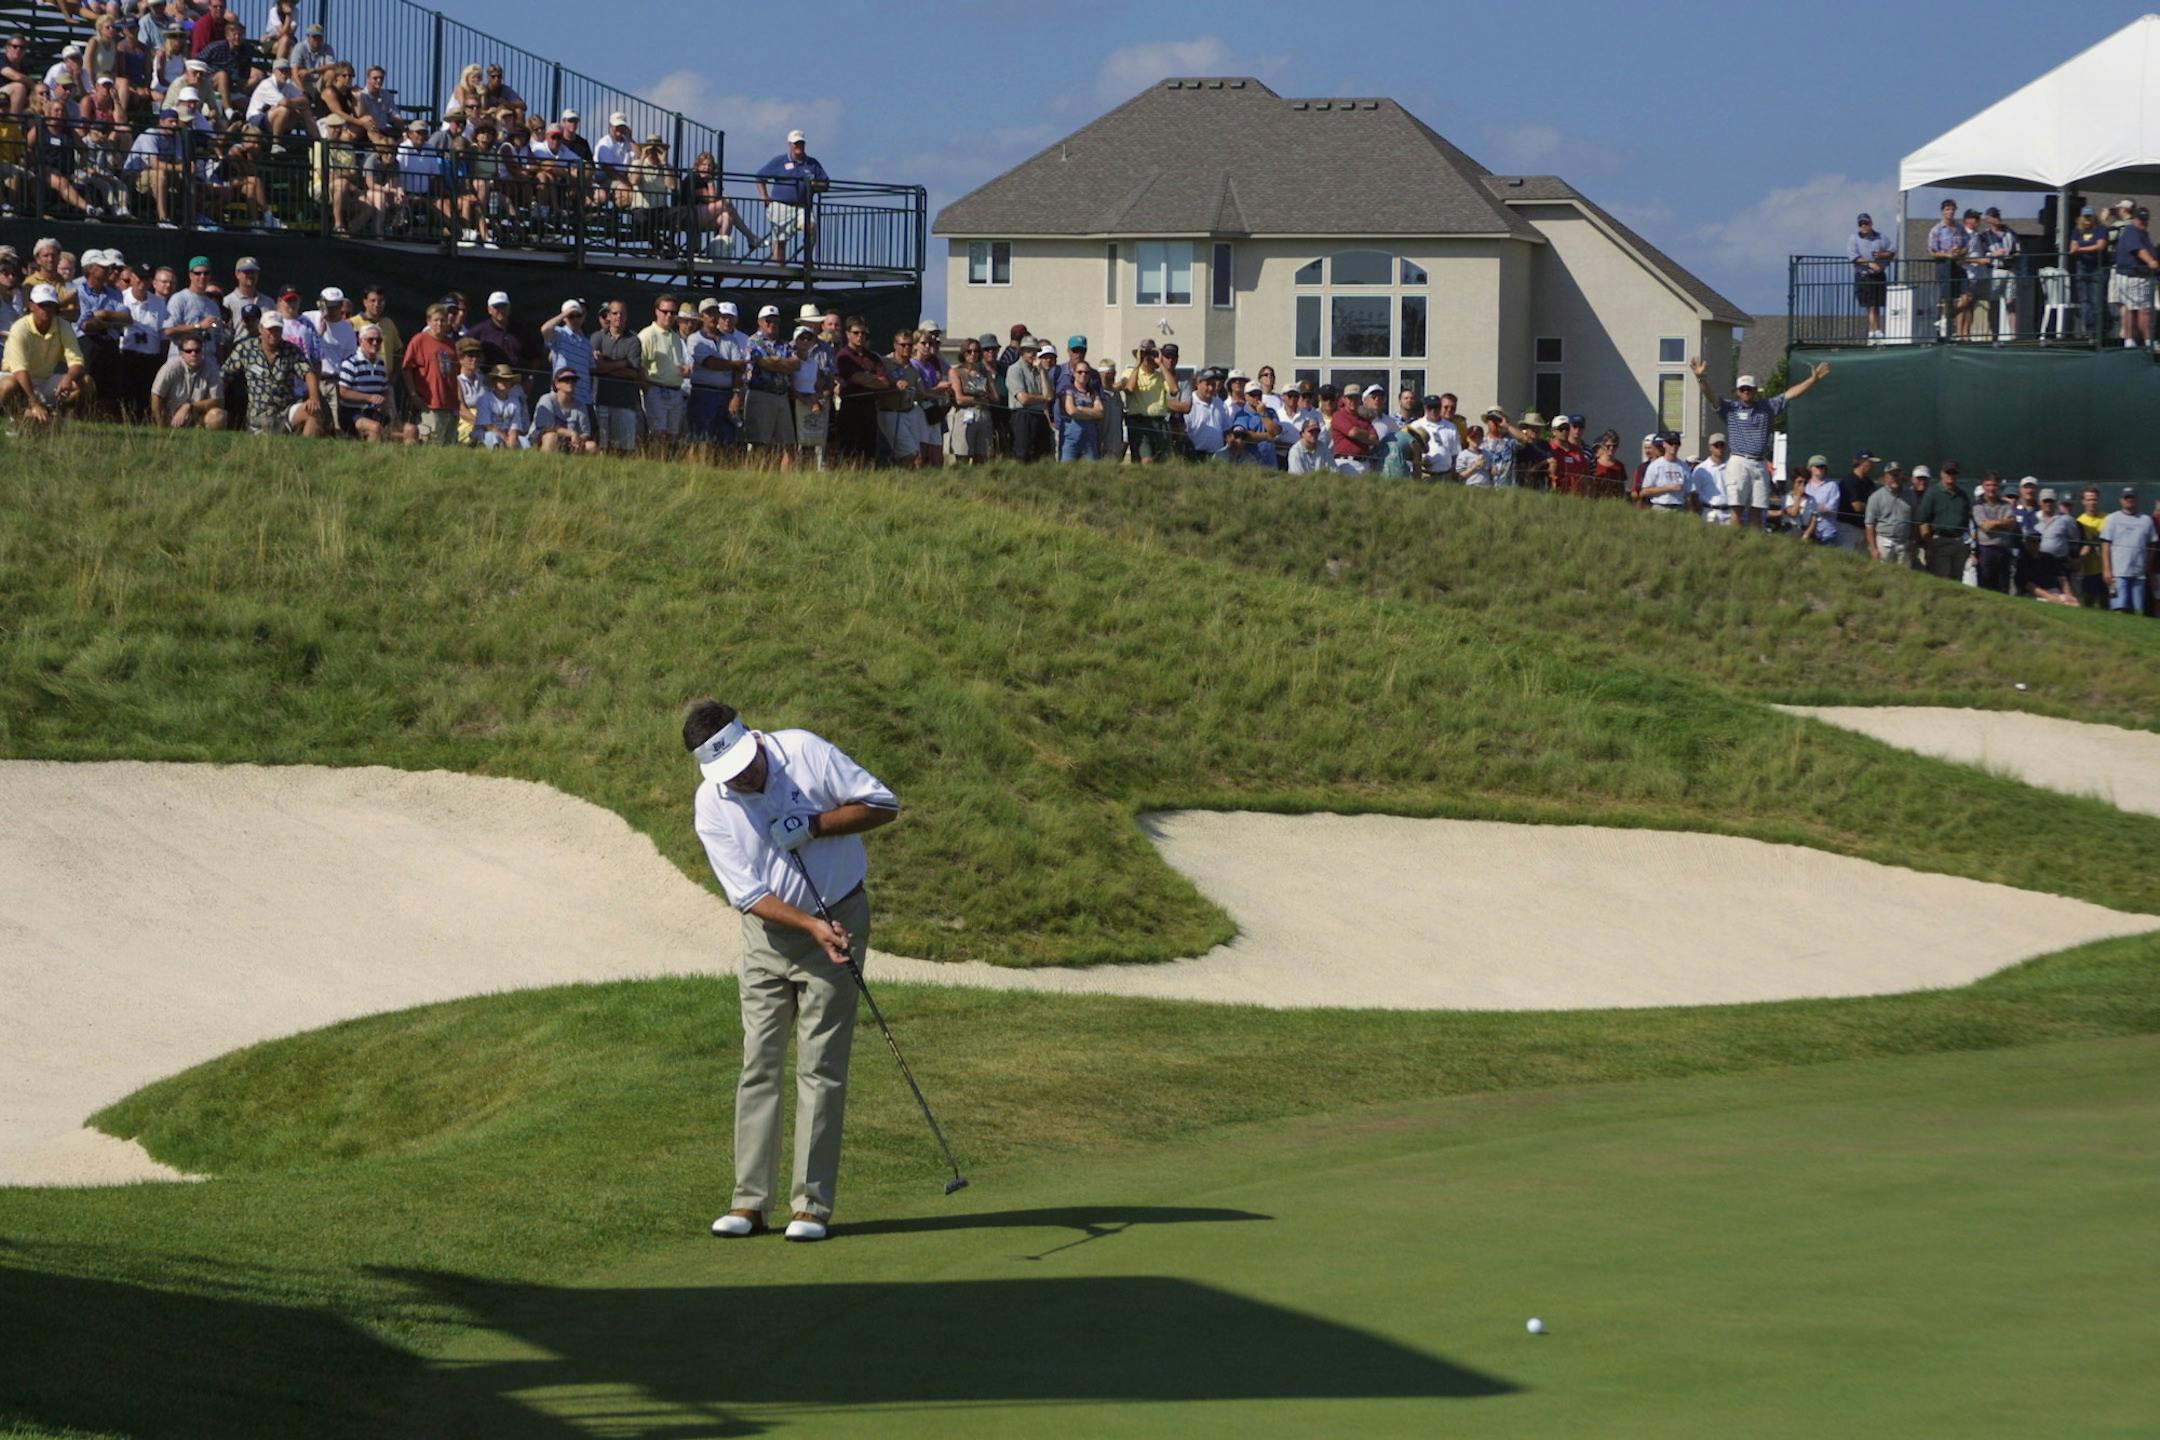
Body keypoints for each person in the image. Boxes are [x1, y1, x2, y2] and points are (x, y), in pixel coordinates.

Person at [687, 699, 900, 1245]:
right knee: (759, 1062)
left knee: (820, 1067)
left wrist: (815, 824)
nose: (741, 781)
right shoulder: (713, 802)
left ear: (751, 739)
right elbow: (748, 893)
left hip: (841, 916)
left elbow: (883, 804)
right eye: (727, 776)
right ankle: (749, 1202)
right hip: (769, 938)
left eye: (744, 767)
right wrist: (808, 925)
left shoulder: (803, 751)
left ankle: (810, 1206)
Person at [1690, 357, 1829, 529]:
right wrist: (1701, 378)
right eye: (1743, 389)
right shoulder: (1731, 408)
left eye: (1749, 389)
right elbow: (1710, 396)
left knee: (1758, 508)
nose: (1746, 392)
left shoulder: (1768, 406)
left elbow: (1791, 393)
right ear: (1738, 391)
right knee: (1737, 508)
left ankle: (1753, 544)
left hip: (1760, 463)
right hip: (1739, 460)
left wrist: (1812, 380)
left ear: (1755, 390)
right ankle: (1734, 542)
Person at [3, 283, 88, 429]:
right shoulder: (20, 328)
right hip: (15, 379)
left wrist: (68, 378)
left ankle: (57, 417)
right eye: (41, 304)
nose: (46, 309)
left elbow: (77, 361)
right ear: (31, 306)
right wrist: (34, 402)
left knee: (85, 382)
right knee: (6, 386)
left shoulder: (63, 326)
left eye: (50, 304)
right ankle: (17, 415)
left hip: (44, 380)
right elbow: (19, 370)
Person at [230, 308, 322, 435]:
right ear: (260, 329)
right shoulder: (245, 349)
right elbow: (225, 374)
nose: (273, 334)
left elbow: (308, 373)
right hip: (258, 414)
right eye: (269, 329)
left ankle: (303, 450)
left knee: (314, 411)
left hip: (285, 410)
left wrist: (314, 398)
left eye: (277, 329)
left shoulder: (291, 351)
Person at [756, 128, 827, 264]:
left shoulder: (813, 163)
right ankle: (780, 274)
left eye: (801, 143)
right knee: (780, 242)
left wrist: (813, 185)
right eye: (795, 143)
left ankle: (808, 259)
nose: (798, 146)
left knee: (811, 227)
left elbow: (825, 184)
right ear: (790, 145)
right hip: (780, 206)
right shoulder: (779, 161)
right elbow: (760, 177)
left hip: (802, 206)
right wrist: (764, 196)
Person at [688, 299, 750, 449]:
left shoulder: (730, 340)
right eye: (709, 313)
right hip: (703, 392)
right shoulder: (694, 339)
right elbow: (710, 363)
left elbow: (739, 369)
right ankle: (699, 470)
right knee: (701, 439)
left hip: (726, 394)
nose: (713, 317)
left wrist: (736, 395)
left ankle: (722, 469)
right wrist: (733, 364)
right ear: (702, 317)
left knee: (726, 440)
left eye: (715, 313)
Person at [399, 301, 460, 445]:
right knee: (433, 441)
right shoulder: (419, 340)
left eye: (443, 320)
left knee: (450, 443)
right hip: (430, 403)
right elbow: (407, 368)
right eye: (436, 320)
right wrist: (413, 394)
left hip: (450, 403)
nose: (439, 324)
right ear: (429, 321)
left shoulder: (451, 344)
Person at [742, 304, 797, 461]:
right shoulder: (753, 341)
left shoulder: (784, 344)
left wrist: (776, 362)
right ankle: (756, 477)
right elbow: (762, 362)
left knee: (788, 442)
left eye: (775, 321)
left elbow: (795, 365)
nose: (771, 324)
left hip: (781, 396)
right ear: (760, 322)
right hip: (761, 395)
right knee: (760, 442)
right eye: (768, 321)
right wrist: (782, 363)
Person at [637, 293, 688, 453]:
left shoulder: (675, 337)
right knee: (659, 433)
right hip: (656, 389)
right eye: (665, 311)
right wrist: (647, 389)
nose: (669, 315)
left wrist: (684, 370)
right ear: (656, 311)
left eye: (673, 313)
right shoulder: (647, 335)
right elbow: (638, 365)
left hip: (676, 390)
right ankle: (655, 463)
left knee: (673, 435)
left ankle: (666, 463)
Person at [1112, 341, 1171, 463]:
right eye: (1144, 354)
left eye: (1151, 354)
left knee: (1161, 460)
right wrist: (1137, 364)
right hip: (1139, 421)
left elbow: (1174, 390)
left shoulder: (1161, 376)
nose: (1147, 358)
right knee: (1146, 460)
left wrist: (1161, 364)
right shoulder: (1131, 372)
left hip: (1159, 422)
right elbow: (1129, 389)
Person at [334, 322, 394, 441]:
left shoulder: (381, 364)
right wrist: (369, 398)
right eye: (370, 340)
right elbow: (343, 392)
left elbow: (385, 389)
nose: (375, 343)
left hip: (375, 412)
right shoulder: (350, 363)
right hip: (352, 413)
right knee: (375, 428)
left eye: (379, 340)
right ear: (361, 341)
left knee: (410, 430)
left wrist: (384, 403)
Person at [2100, 487, 2156, 613]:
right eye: (2126, 498)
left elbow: (2153, 545)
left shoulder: (2146, 520)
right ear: (2121, 500)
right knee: (2119, 610)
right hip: (2118, 574)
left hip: (2139, 574)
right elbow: (2105, 545)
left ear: (2136, 500)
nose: (2129, 500)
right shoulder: (2112, 518)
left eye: (2132, 497)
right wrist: (2107, 569)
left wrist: (2148, 566)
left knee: (2138, 611)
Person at [2027, 489, 2082, 605]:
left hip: (2060, 562)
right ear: (2040, 502)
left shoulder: (2066, 519)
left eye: (2051, 501)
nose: (2048, 504)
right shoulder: (2032, 518)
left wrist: (2074, 557)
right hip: (2037, 562)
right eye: (2045, 501)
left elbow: (2074, 540)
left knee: (2066, 591)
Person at [2113, 205, 2157, 349]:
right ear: (2135, 219)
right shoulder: (2131, 230)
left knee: (2144, 309)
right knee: (2131, 309)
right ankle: (2130, 341)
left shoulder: (2143, 233)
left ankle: (2147, 341)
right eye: (2140, 219)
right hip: (2130, 276)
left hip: (2143, 277)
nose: (2143, 222)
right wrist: (2151, 261)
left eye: (2145, 220)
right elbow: (2138, 250)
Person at [1969, 472, 2019, 593]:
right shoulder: (1978, 505)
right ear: (1983, 486)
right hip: (1985, 550)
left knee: (2003, 587)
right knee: (1985, 586)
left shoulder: (2005, 504)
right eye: (1988, 485)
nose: (1991, 488)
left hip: (2003, 549)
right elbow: (1985, 527)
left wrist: (1994, 523)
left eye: (1994, 485)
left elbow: (2012, 523)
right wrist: (2002, 523)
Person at [529, 366, 598, 453]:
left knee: (592, 446)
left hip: (569, 443)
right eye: (566, 379)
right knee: (551, 437)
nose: (570, 382)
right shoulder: (547, 399)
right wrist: (571, 433)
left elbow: (585, 433)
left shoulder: (580, 405)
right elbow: (546, 427)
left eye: (573, 380)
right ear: (557, 384)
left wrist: (578, 441)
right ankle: (545, 464)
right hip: (540, 440)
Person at [1005, 340, 1055, 462]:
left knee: (1042, 455)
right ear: (1022, 352)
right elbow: (1024, 399)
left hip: (1039, 415)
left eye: (1035, 351)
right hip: (1022, 416)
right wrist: (1043, 398)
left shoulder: (1039, 370)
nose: (1032, 354)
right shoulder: (1015, 369)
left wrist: (1042, 371)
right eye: (1029, 351)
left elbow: (1050, 395)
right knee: (1023, 455)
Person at [1849, 212, 1895, 340]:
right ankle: (1874, 331)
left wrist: (1881, 256)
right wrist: (1870, 263)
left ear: (1871, 223)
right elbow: (1854, 256)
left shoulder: (1881, 237)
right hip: (1864, 275)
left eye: (1866, 223)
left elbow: (1892, 252)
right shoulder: (1854, 238)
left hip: (1879, 275)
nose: (1864, 226)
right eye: (1861, 224)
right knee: (1870, 305)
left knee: (1877, 304)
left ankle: (1874, 330)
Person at [2067, 206, 2108, 337]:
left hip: (2097, 267)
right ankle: (2089, 330)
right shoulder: (2077, 231)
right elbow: (2072, 247)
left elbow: (2101, 245)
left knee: (2096, 300)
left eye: (2090, 217)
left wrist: (2081, 249)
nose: (2087, 220)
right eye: (2085, 217)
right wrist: (2081, 248)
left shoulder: (2101, 229)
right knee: (2084, 300)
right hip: (2082, 267)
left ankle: (2098, 331)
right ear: (2081, 218)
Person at [1057, 356, 1105, 460]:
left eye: (1086, 372)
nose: (1083, 375)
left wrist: (1081, 409)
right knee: (1067, 470)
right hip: (1071, 438)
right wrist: (1091, 413)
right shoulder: (1067, 390)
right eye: (1080, 372)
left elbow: (1100, 412)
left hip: (1089, 438)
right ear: (1074, 373)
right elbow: (1071, 411)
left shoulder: (1093, 392)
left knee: (1090, 472)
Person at [1864, 463, 1914, 563]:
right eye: (1892, 475)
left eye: (1897, 475)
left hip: (1904, 544)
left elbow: (1915, 521)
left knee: (1904, 576)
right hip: (1884, 543)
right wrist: (1873, 549)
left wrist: (1913, 541)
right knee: (1882, 576)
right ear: (1886, 477)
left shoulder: (1911, 495)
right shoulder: (1876, 497)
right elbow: (1869, 525)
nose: (1895, 478)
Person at [474, 363, 530, 449]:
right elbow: (487, 425)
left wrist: (511, 439)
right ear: (494, 382)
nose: (504, 382)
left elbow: (515, 425)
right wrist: (504, 437)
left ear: (511, 383)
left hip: (507, 434)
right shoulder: (485, 399)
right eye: (500, 379)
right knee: (492, 437)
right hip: (487, 432)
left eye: (507, 380)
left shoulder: (515, 401)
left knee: (525, 442)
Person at [2075, 486, 2110, 607]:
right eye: (2089, 499)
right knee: (2088, 604)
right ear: (2083, 501)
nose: (2092, 502)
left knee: (2105, 604)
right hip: (2087, 571)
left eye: (2094, 499)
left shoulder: (2108, 519)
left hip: (2105, 570)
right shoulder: (2079, 521)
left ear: (2099, 500)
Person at [1637, 433, 1690, 510]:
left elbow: (1690, 491)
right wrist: (1666, 488)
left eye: (1676, 443)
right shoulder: (1655, 465)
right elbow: (1644, 491)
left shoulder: (1684, 466)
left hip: (1679, 507)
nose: (1674, 446)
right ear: (1664, 444)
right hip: (1660, 506)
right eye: (1670, 443)